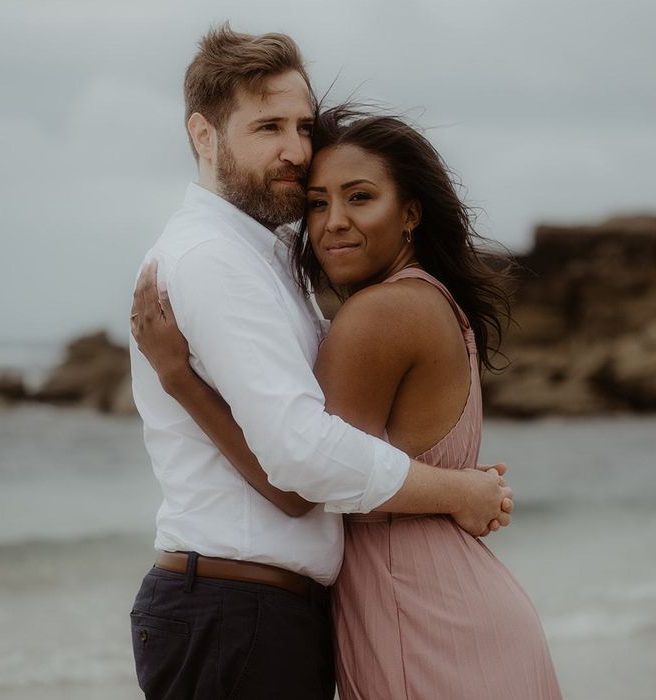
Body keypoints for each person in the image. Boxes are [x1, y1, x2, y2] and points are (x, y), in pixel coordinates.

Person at [128, 24, 513, 700]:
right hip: (232, 610)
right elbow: (301, 461)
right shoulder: (212, 259)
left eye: (303, 127)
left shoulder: (270, 256)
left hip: (258, 613)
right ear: (203, 135)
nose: (295, 151)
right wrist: (458, 492)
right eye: (268, 127)